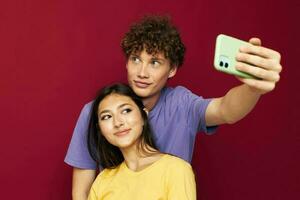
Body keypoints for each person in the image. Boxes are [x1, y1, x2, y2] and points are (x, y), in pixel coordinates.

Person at [65, 15, 282, 199]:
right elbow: (82, 192)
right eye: (135, 59)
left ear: (172, 69)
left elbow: (225, 110)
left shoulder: (182, 104)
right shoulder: (96, 112)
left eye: (155, 62)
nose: (142, 72)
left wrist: (253, 88)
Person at [87, 83, 196, 200]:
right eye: (107, 117)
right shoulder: (102, 181)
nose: (118, 123)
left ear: (144, 115)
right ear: (101, 130)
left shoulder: (176, 170)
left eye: (126, 110)